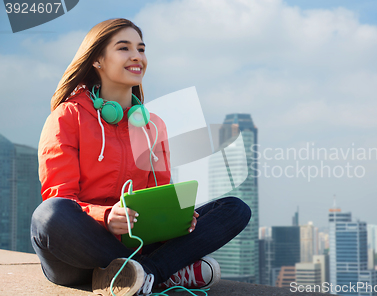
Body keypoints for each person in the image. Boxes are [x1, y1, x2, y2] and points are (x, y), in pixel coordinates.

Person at [31, 18, 251, 296]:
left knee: (235, 208)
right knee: (48, 215)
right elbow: (59, 196)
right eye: (124, 48)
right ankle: (161, 271)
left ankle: (143, 274)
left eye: (141, 49)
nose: (137, 56)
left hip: (136, 240)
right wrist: (108, 217)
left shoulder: (152, 125)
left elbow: (158, 195)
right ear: (97, 60)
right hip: (80, 249)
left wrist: (177, 218)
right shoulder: (67, 116)